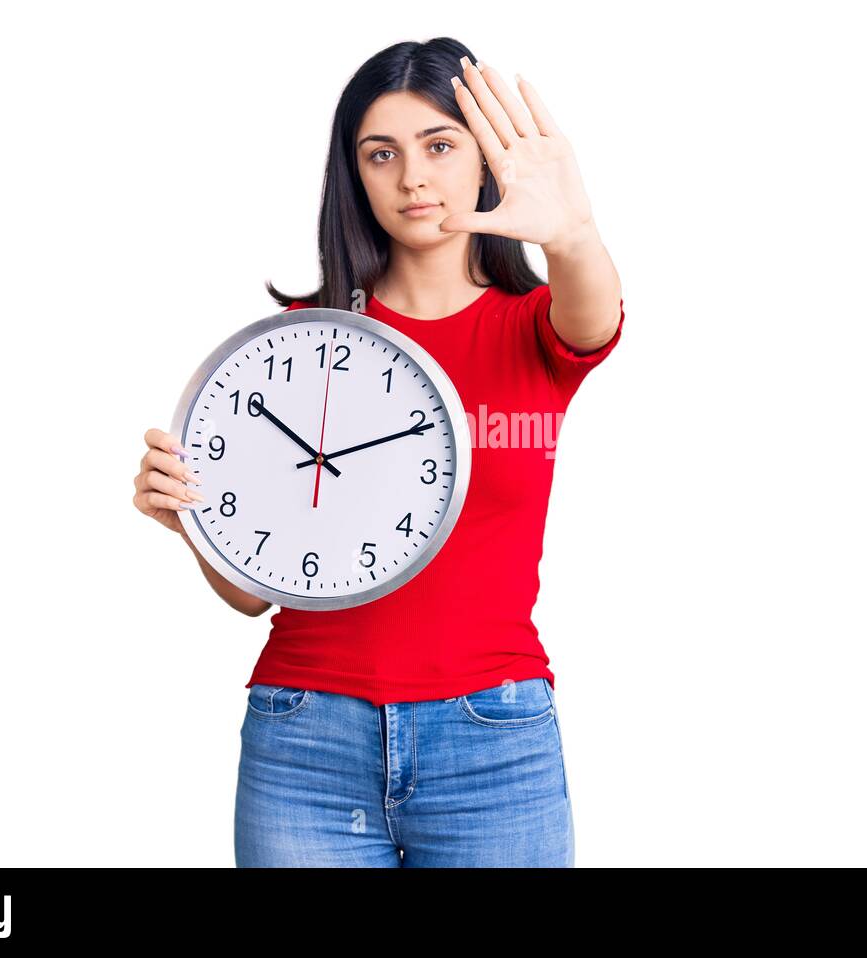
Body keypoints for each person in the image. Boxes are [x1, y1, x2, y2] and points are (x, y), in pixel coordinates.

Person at [132, 37, 624, 867]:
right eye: (381, 154)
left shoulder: (533, 326)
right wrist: (190, 516)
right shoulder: (293, 344)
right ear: (354, 174)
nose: (413, 178)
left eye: (439, 145)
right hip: (305, 739)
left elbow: (595, 314)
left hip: (491, 741)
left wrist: (573, 233)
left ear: (484, 161)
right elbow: (255, 595)